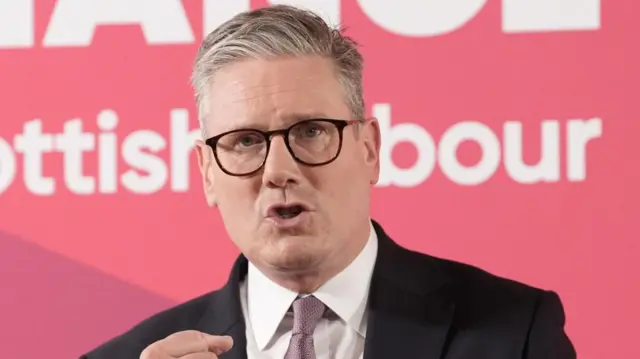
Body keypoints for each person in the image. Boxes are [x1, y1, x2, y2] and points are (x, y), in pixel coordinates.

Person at [80, 4, 576, 359]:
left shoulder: (514, 332)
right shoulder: (126, 357)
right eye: (246, 141)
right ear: (208, 174)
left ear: (369, 150)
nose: (278, 170)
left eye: (311, 131)